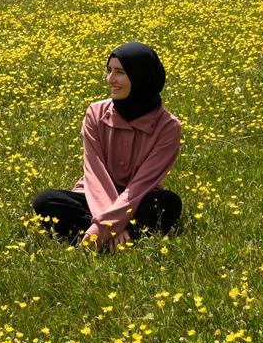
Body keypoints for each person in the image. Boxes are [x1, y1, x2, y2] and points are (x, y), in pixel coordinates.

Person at [33, 42, 182, 252]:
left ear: (141, 77)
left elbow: (142, 184)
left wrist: (103, 228)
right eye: (109, 70)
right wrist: (110, 226)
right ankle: (121, 238)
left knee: (168, 204)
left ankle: (92, 236)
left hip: (138, 198)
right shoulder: (95, 112)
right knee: (45, 201)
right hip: (94, 195)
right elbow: (95, 173)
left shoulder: (168, 126)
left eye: (120, 72)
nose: (110, 79)